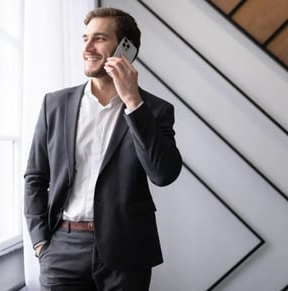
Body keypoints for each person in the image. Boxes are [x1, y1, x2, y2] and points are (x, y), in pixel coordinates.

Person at [24, 7, 182, 291]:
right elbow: (36, 177)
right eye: (85, 38)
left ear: (126, 48)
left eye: (99, 39)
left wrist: (133, 103)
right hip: (62, 249)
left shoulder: (155, 111)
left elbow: (163, 174)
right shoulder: (55, 105)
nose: (87, 47)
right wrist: (40, 243)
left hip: (127, 251)